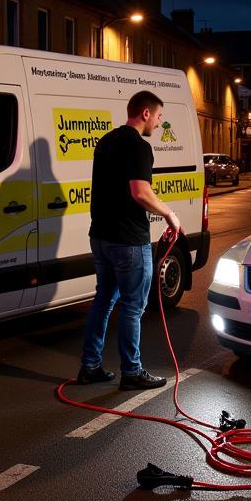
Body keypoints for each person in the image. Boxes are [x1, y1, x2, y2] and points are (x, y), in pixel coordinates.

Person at [78, 90, 181, 389]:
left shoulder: (106, 141)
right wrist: (170, 214)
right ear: (145, 113)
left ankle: (90, 366)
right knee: (134, 307)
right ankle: (132, 371)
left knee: (104, 301)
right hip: (128, 241)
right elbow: (140, 192)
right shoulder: (138, 146)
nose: (159, 124)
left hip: (100, 237)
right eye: (159, 116)